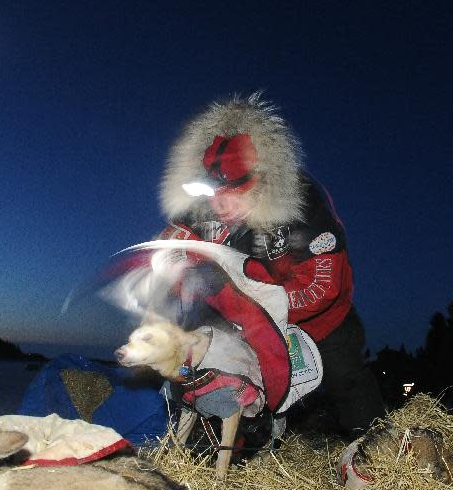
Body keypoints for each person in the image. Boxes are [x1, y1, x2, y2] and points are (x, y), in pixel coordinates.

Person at [157, 93, 386, 438]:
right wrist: (175, 269)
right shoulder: (201, 210)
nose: (220, 206)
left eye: (234, 193)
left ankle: (380, 451)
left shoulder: (303, 206)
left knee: (346, 380)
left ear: (262, 183)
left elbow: (321, 288)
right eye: (212, 193)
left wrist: (248, 305)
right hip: (242, 319)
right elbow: (169, 253)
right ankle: (227, 442)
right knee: (215, 370)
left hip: (318, 324)